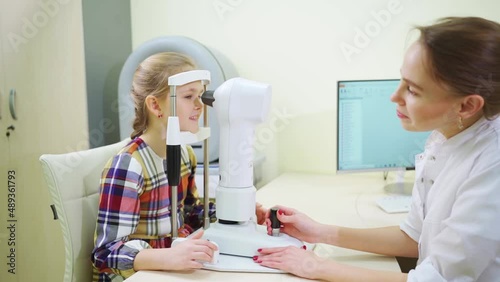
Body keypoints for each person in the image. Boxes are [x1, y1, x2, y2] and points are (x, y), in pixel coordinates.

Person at [256, 16, 500, 281]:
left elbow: (436, 280)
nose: (394, 97)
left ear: (466, 106)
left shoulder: (492, 165)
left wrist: (315, 267)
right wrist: (318, 231)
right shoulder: (448, 135)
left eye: (413, 91)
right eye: (402, 81)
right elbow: (413, 237)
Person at [91, 52, 268, 281]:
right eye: (188, 96)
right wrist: (167, 257)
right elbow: (104, 254)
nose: (200, 105)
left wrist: (237, 213)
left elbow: (189, 212)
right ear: (155, 105)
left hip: (173, 267)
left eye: (201, 96)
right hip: (140, 274)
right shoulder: (128, 167)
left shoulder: (185, 155)